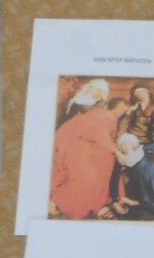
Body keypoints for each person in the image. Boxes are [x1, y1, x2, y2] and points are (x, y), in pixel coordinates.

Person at [51, 81, 122, 218]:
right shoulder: (76, 103)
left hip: (95, 141)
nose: (97, 93)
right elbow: (73, 124)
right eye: (95, 89)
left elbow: (103, 127)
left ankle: (97, 202)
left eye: (100, 91)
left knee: (105, 161)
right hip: (75, 139)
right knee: (83, 169)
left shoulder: (102, 106)